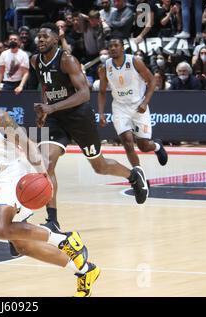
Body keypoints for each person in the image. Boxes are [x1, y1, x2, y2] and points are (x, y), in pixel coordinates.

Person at [0, 83, 100, 297]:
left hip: (13, 174)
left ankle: (65, 240)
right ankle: (85, 270)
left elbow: (28, 144)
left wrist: (43, 175)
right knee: (23, 246)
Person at [32, 23, 149, 230]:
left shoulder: (67, 60)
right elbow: (46, 85)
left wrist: (52, 107)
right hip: (55, 118)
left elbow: (85, 94)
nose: (40, 40)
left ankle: (132, 176)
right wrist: (45, 110)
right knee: (46, 163)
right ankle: (53, 220)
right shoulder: (35, 61)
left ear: (55, 40)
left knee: (99, 167)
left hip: (78, 116)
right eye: (38, 37)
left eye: (45, 36)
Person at [98, 38, 168, 179]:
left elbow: (152, 80)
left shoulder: (135, 61)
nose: (112, 48)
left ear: (122, 48)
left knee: (143, 146)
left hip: (138, 105)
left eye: (116, 45)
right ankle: (140, 177)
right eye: (110, 46)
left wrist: (145, 102)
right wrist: (100, 112)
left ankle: (157, 146)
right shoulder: (105, 67)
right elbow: (102, 91)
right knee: (127, 143)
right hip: (119, 107)